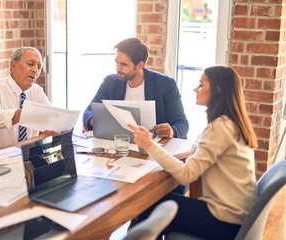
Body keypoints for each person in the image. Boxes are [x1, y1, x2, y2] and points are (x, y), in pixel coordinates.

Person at [128, 66, 258, 240]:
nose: (195, 89)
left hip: (224, 222)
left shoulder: (219, 127)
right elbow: (206, 145)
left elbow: (186, 175)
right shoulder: (230, 122)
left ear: (217, 90)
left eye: (201, 85)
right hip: (235, 216)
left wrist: (149, 144)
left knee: (146, 208)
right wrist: (195, 150)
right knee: (157, 206)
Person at [82, 37, 189, 139]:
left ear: (140, 65)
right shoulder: (110, 82)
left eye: (124, 64)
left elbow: (182, 123)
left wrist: (172, 131)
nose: (118, 68)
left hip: (154, 146)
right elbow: (88, 111)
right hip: (119, 143)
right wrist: (94, 120)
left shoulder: (165, 84)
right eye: (117, 62)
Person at [0, 47, 57, 155]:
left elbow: (51, 115)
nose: (35, 70)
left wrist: (51, 125)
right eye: (30, 64)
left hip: (22, 155)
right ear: (13, 65)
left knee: (58, 169)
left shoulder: (37, 91)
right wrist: (25, 113)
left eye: (39, 67)